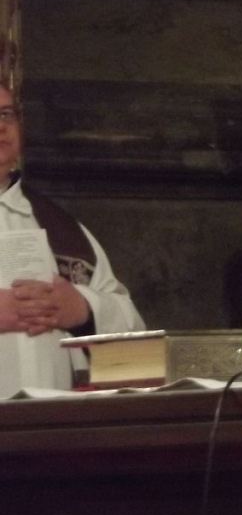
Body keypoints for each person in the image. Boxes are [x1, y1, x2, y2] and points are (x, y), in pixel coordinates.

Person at [0, 85, 146, 397]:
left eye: (5, 114)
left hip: (55, 421)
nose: (1, 126)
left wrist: (83, 308)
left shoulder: (60, 228)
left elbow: (136, 337)